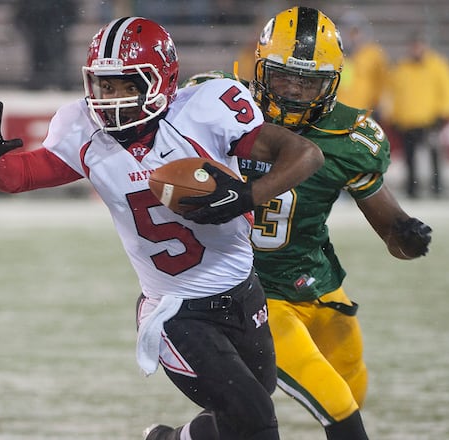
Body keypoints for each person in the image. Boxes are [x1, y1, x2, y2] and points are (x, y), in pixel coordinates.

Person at [0, 16, 324, 440]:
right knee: (257, 422)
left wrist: (246, 196)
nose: (110, 98)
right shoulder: (83, 131)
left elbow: (306, 155)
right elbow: (18, 176)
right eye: (104, 84)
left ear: (162, 80)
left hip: (243, 292)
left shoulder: (205, 110)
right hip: (175, 310)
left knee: (241, 416)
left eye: (126, 84)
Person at [184, 6, 433, 440]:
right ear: (260, 70)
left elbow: (394, 234)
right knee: (335, 406)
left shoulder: (349, 139)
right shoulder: (218, 108)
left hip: (317, 282)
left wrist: (408, 235)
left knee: (349, 385)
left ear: (332, 82)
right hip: (252, 293)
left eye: (310, 81)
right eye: (283, 77)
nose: (296, 91)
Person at [384, 31, 449, 198]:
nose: (417, 49)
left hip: (430, 120)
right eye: (414, 46)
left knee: (434, 155)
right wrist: (393, 116)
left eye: (419, 45)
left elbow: (448, 90)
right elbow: (393, 94)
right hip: (408, 121)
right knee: (410, 158)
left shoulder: (438, 65)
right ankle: (412, 189)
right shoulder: (402, 67)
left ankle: (437, 188)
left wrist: (443, 114)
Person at [13, 0, 78, 90]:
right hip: (39, 32)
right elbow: (22, 14)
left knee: (58, 58)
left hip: (55, 30)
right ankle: (39, 80)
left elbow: (71, 12)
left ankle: (61, 80)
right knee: (39, 57)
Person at [334, 11, 390, 114]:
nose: (353, 37)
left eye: (355, 33)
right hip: (339, 112)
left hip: (364, 112)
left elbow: (382, 82)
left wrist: (379, 104)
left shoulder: (373, 54)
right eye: (349, 33)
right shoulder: (336, 55)